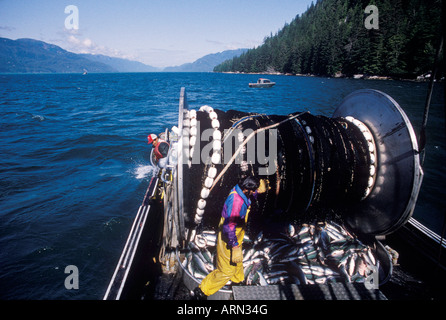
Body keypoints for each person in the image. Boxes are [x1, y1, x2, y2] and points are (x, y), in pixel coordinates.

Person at [192, 176, 268, 300]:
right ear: (246, 190)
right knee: (225, 271)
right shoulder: (236, 203)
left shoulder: (240, 189)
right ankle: (201, 292)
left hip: (237, 233)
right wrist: (235, 245)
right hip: (229, 236)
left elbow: (249, 194)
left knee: (237, 262)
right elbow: (229, 227)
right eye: (254, 191)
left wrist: (258, 191)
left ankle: (237, 282)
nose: (255, 193)